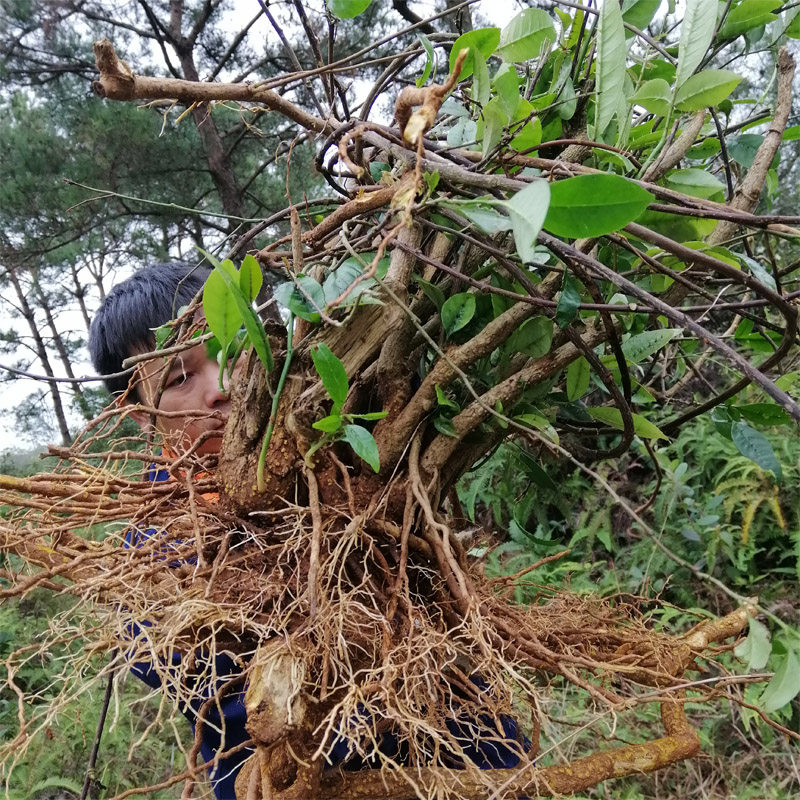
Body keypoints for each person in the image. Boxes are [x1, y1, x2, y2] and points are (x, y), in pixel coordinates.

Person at [89, 261, 526, 799]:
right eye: (180, 378)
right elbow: (242, 707)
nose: (223, 388)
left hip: (471, 753)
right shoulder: (147, 561)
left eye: (232, 349)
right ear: (138, 416)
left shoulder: (336, 437)